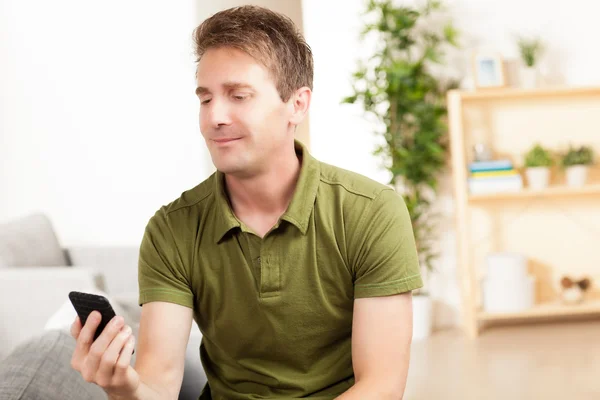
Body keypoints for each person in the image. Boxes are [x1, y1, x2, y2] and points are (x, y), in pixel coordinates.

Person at [70, 5, 423, 400]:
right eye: (205, 99)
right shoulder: (172, 229)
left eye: (238, 96)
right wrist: (125, 387)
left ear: (298, 104)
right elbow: (158, 386)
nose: (215, 117)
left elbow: (381, 386)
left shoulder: (372, 212)